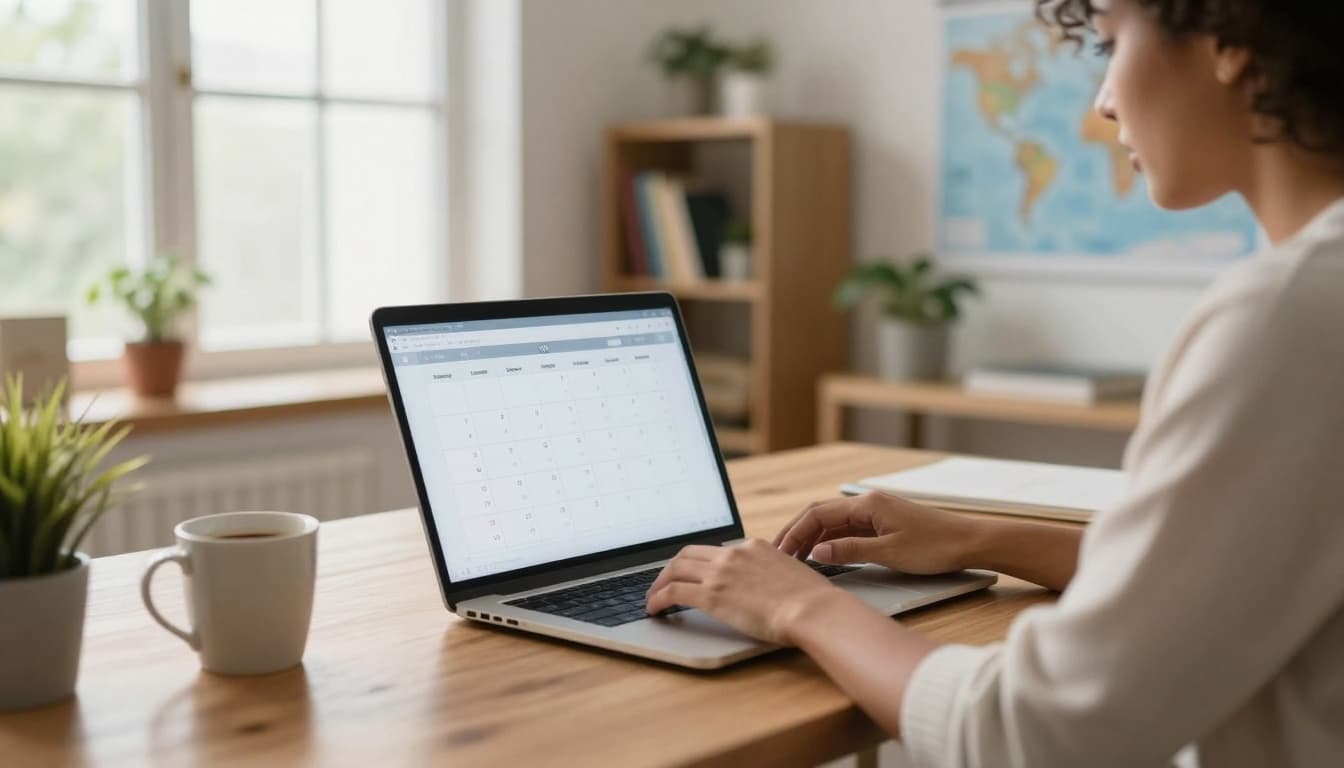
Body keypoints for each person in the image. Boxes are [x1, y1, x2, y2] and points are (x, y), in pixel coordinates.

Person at [644, 0, 1344, 765]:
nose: (1105, 101)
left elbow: (1034, 733)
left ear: (1229, 38)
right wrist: (977, 538)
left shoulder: (1289, 317)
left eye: (1111, 44)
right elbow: (1220, 574)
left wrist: (799, 604)